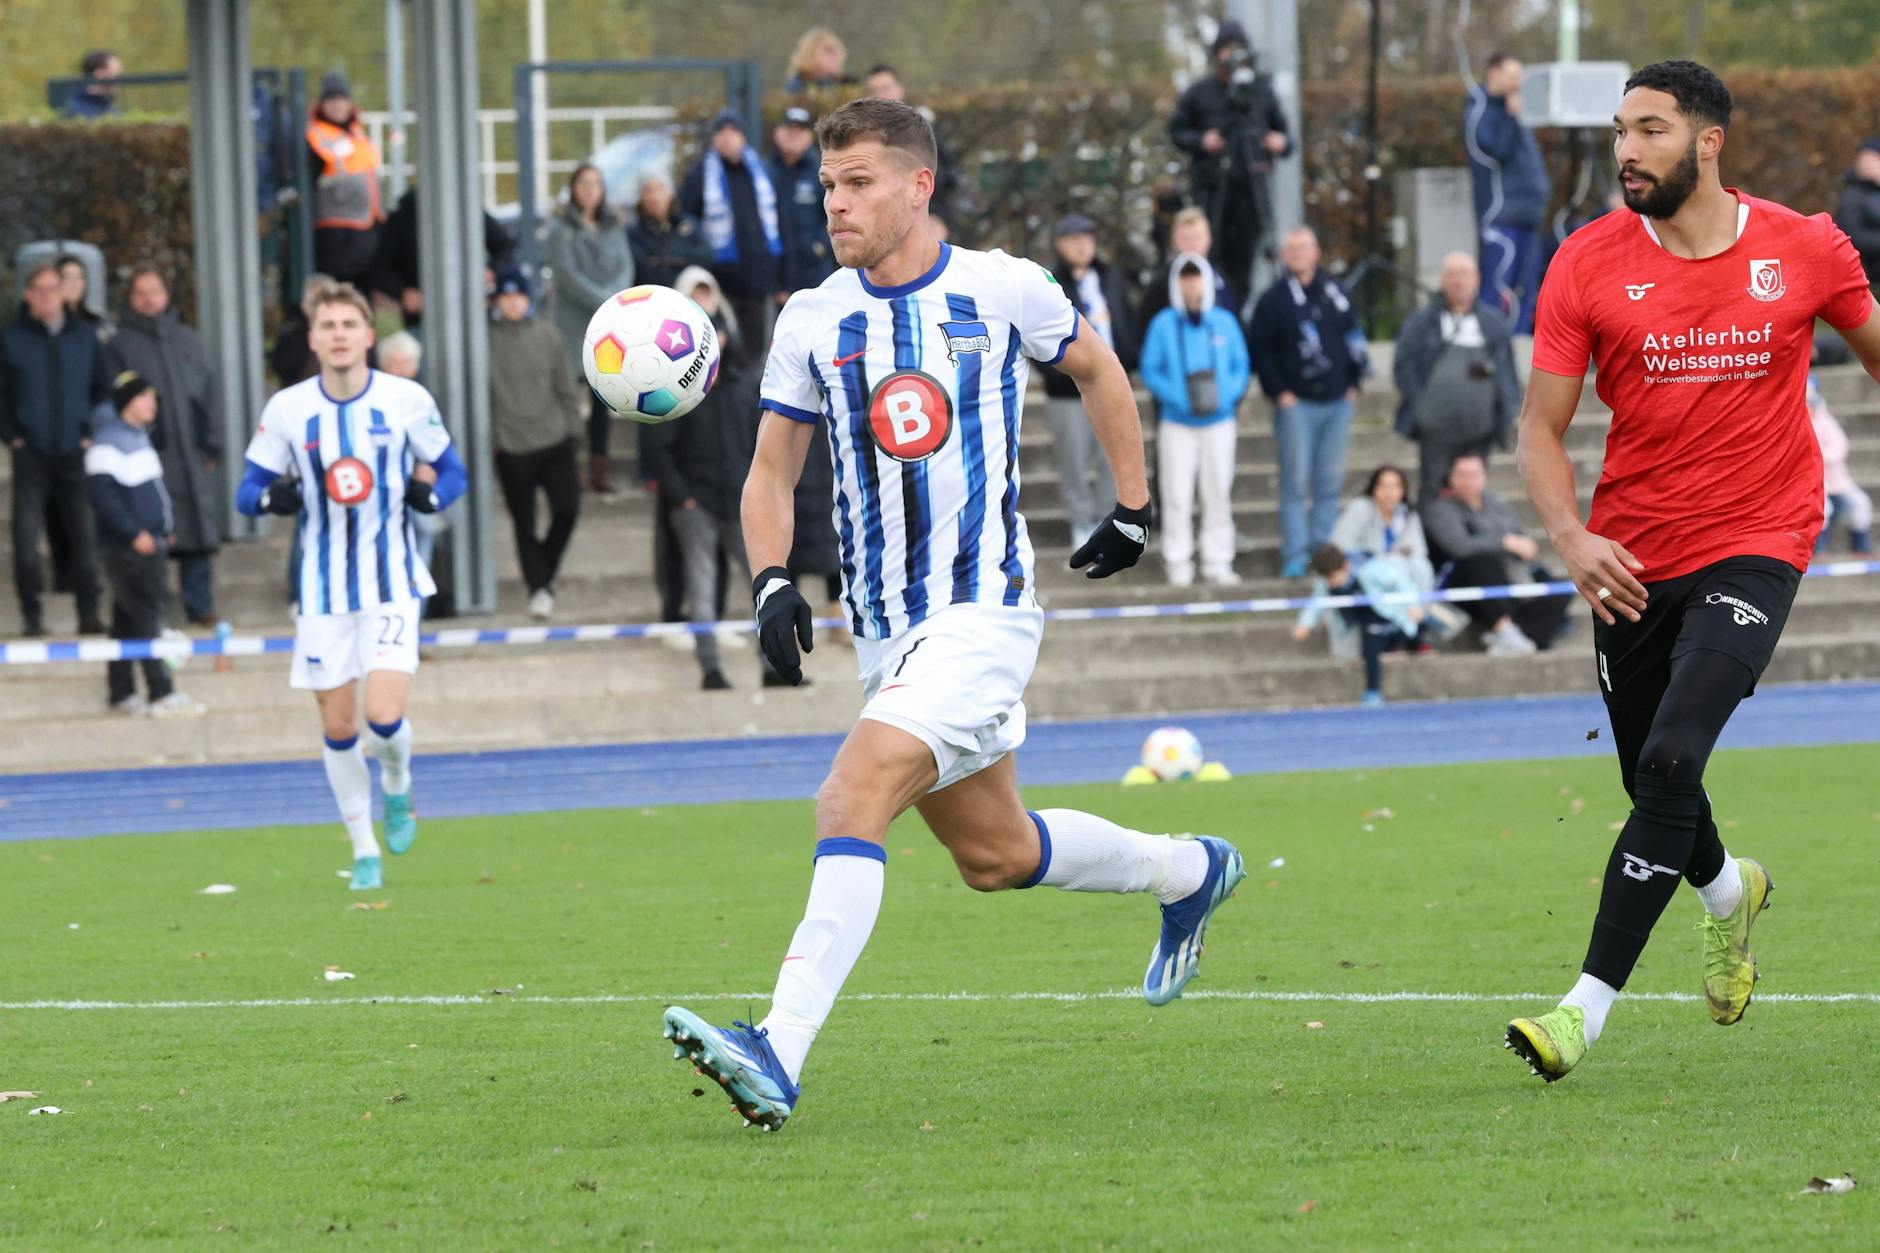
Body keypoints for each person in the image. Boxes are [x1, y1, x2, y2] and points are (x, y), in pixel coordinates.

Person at [660, 97, 1246, 1132]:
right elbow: (768, 474)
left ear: (917, 186)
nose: (834, 204)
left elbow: (1098, 367)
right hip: (885, 633)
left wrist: (1134, 506)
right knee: (996, 855)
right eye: (827, 187)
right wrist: (767, 577)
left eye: (856, 185)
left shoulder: (1000, 287)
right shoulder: (811, 317)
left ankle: (776, 1049)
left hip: (982, 612)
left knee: (849, 797)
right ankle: (1187, 868)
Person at [1506, 61, 1880, 1083]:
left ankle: (1580, 1009)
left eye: (1650, 130)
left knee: (1670, 758)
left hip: (1760, 536)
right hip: (1627, 554)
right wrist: (1569, 537)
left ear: (1708, 141)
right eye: (1619, 131)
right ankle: (1726, 893)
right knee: (1647, 775)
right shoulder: (1582, 263)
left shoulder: (1803, 248)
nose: (1625, 150)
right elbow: (1537, 427)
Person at [235, 282, 469, 892]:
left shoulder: (406, 400)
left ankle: (397, 783)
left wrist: (433, 495)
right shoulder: (289, 409)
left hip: (391, 582)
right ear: (313, 339)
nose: (338, 334)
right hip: (321, 592)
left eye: (348, 324)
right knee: (339, 729)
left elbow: (454, 470)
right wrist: (270, 496)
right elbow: (246, 488)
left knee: (382, 715)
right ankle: (363, 849)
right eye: (327, 325)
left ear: (368, 336)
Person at [639, 267, 759, 690]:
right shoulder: (674, 389)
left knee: (762, 584)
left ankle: (775, 667)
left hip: (737, 499)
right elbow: (658, 448)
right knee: (702, 589)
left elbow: (756, 443)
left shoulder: (743, 385)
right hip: (698, 502)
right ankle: (710, 669)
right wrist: (683, 498)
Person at [1247, 226, 1367, 578]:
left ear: (1316, 253)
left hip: (1337, 402)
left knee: (1329, 481)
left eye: (1304, 248)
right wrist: (1279, 392)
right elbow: (1261, 349)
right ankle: (1296, 553)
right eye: (1292, 249)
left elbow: (1353, 336)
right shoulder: (1273, 300)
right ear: (1284, 256)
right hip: (1296, 404)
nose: (1298, 254)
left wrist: (1354, 382)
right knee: (1295, 481)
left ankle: (1322, 551)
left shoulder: (1335, 293)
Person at [110, 267, 224, 627]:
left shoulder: (188, 340)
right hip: (144, 457)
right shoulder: (118, 345)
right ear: (131, 299)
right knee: (152, 532)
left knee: (197, 534)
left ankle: (200, 606)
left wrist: (213, 445)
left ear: (166, 295)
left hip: (191, 455)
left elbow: (210, 396)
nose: (149, 298)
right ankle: (152, 611)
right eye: (141, 292)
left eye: (155, 290)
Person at [86, 371, 203, 717]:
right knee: (149, 616)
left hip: (147, 544)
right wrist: (133, 533)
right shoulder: (109, 442)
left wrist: (162, 529)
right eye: (144, 398)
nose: (152, 405)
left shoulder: (137, 438)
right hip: (128, 548)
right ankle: (161, 692)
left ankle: (121, 693)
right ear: (126, 403)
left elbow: (149, 495)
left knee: (126, 622)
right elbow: (102, 496)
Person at [2, 260, 108, 637]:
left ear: (64, 294)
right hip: (30, 452)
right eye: (39, 289)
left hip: (73, 451)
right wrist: (11, 435)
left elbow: (101, 387)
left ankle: (89, 613)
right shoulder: (12, 338)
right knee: (26, 539)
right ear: (28, 294)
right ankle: (32, 617)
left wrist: (86, 431)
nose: (47, 296)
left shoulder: (84, 336)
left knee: (83, 535)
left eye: (53, 288)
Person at [1140, 255, 1248, 585]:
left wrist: (1224, 397)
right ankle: (1179, 561)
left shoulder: (1224, 322)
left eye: (1196, 278)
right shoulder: (1163, 323)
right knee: (1176, 493)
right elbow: (1150, 368)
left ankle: (1217, 560)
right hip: (1177, 421)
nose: (1191, 285)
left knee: (1217, 490)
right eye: (1185, 279)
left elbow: (1240, 366)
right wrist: (1179, 397)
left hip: (1219, 420)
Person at [1167, 19, 1292, 300]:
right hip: (1212, 189)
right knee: (1210, 255)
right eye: (1226, 50)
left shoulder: (1261, 91)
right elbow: (1177, 130)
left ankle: (1237, 316)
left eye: (1238, 50)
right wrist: (1202, 141)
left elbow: (1286, 137)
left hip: (1251, 190)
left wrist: (1277, 142)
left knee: (1244, 263)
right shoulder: (1200, 92)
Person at [487, 266, 584, 621]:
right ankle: (538, 586)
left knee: (567, 510)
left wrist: (574, 432)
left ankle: (544, 572)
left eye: (518, 296)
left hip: (554, 439)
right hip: (511, 446)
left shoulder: (548, 334)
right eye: (506, 296)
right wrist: (495, 439)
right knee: (523, 524)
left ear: (528, 298)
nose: (512, 303)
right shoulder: (486, 338)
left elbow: (565, 387)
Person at [1392, 251, 1524, 505]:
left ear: (1476, 279)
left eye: (1464, 274)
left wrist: (1507, 410)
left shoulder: (1493, 321)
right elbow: (1403, 366)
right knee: (1434, 493)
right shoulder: (1422, 321)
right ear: (1442, 281)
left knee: (1472, 495)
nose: (1458, 281)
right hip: (1436, 433)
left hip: (1480, 431)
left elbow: (1506, 371)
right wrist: (1422, 408)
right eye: (1452, 275)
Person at [1042, 213, 1141, 547]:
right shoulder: (1050, 282)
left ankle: (1105, 517)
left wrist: (1127, 361)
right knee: (1073, 459)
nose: (1081, 245)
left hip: (1111, 385)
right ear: (1060, 244)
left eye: (1086, 238)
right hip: (1067, 391)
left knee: (1112, 455)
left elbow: (1126, 319)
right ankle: (1080, 521)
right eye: (1073, 239)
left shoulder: (1111, 277)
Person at [543, 162, 636, 499]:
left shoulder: (613, 225)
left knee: (602, 397)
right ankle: (571, 470)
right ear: (573, 188)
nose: (590, 190)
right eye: (584, 183)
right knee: (569, 400)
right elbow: (565, 275)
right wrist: (603, 299)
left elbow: (626, 266)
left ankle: (600, 468)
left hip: (608, 327)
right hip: (573, 325)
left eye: (596, 183)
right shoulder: (560, 228)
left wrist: (615, 298)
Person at [1423, 453, 1568, 654]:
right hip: (1464, 582)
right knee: (1483, 562)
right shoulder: (1440, 509)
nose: (1468, 481)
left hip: (1510, 575)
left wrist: (1524, 545)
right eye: (1462, 475)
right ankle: (1503, 629)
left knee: (1560, 589)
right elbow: (1460, 547)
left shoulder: (1494, 503)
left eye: (1473, 474)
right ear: (1451, 477)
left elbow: (1520, 535)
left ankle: (1522, 636)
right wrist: (1504, 542)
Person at [679, 111, 786, 351]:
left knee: (758, 347)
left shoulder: (763, 172)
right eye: (721, 132)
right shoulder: (699, 176)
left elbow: (779, 222)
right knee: (724, 345)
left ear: (743, 137)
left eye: (733, 132)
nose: (727, 138)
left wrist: (781, 276)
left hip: (760, 276)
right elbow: (689, 222)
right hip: (721, 279)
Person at [1464, 53, 1551, 334]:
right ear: (1494, 74)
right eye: (1512, 76)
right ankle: (1496, 347)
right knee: (1498, 288)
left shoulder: (1513, 111)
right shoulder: (1481, 112)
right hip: (1501, 217)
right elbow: (1496, 152)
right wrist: (1513, 119)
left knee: (1525, 289)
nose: (1518, 84)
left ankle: (1522, 346)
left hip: (1529, 215)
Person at [1291, 543, 1422, 707]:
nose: (1330, 583)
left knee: (1414, 634)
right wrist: (1304, 624)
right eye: (1326, 579)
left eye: (1333, 578)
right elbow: (1315, 603)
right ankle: (1372, 691)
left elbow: (1401, 582)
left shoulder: (1370, 570)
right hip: (1368, 624)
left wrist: (1413, 605)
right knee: (1370, 654)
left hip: (1391, 616)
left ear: (1345, 566)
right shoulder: (1325, 583)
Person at [305, 72, 384, 290]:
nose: (338, 105)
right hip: (336, 236)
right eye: (331, 100)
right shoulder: (317, 135)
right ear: (322, 104)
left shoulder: (357, 133)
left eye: (342, 99)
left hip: (366, 228)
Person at [859, 65, 964, 223]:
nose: (882, 95)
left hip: (928, 211)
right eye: (875, 90)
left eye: (886, 88)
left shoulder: (923, 125)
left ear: (900, 89)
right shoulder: (861, 134)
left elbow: (947, 169)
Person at [1330, 465, 1438, 597]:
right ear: (1374, 488)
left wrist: (1395, 557)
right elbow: (1339, 546)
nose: (1389, 492)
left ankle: (1420, 612)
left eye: (1395, 487)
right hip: (1361, 570)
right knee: (1391, 569)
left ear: (1403, 490)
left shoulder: (1407, 513)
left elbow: (1417, 550)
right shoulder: (1361, 508)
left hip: (1396, 568)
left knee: (1421, 567)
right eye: (1384, 486)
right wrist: (1378, 558)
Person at [770, 107, 836, 294]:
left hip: (814, 274)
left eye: (800, 130)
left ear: (809, 136)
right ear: (777, 133)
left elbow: (834, 211)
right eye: (789, 129)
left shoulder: (822, 170)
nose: (793, 135)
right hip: (775, 276)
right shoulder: (765, 172)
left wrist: (820, 246)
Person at [1138, 207, 1235, 329]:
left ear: (1208, 239)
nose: (1192, 244)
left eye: (1197, 237)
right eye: (1186, 238)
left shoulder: (1220, 278)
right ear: (1173, 240)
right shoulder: (1160, 282)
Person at [1809, 377, 1873, 554]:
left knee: (1861, 504)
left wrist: (1823, 456)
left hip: (1838, 480)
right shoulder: (1798, 423)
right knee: (1823, 509)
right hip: (1815, 484)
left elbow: (1840, 446)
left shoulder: (1826, 421)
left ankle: (1860, 545)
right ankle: (1818, 548)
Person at [627, 173, 714, 291]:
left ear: (670, 193)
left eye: (660, 189)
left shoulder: (688, 223)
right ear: (640, 197)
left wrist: (666, 260)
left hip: (694, 296)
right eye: (648, 191)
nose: (655, 197)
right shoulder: (634, 234)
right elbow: (647, 272)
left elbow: (707, 257)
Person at [1835, 139, 1880, 291]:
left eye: (1871, 158)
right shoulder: (1853, 194)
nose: (1865, 163)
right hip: (1869, 269)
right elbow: (1851, 233)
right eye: (1863, 158)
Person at [784, 28, 854, 95]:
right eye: (828, 50)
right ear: (810, 54)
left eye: (836, 49)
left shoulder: (849, 84)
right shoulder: (798, 87)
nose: (835, 55)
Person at [61, 49, 122, 121]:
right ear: (99, 73)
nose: (119, 80)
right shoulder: (72, 110)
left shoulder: (109, 108)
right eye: (116, 75)